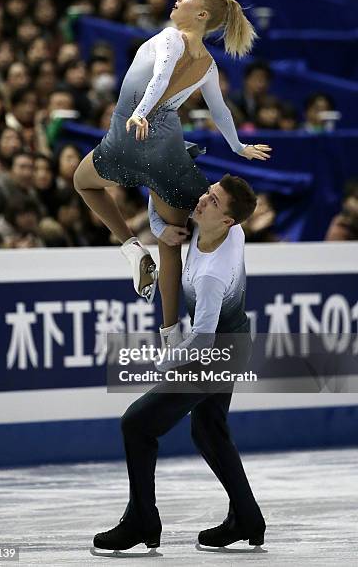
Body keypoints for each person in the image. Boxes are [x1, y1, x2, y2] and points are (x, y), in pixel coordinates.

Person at [74, 0, 271, 318]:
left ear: (202, 14)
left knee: (83, 181)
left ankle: (131, 248)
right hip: (167, 146)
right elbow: (220, 109)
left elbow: (162, 77)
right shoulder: (209, 64)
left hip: (130, 134)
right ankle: (169, 332)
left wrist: (138, 113)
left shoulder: (170, 37)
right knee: (170, 241)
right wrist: (238, 147)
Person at [91, 175, 266, 556]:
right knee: (208, 431)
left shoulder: (211, 276)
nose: (202, 200)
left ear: (228, 222)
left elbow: (202, 339)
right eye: (209, 192)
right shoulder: (226, 230)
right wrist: (159, 228)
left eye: (213, 202)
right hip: (236, 342)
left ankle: (142, 520)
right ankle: (248, 518)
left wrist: (166, 362)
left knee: (136, 424)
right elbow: (160, 207)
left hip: (215, 353)